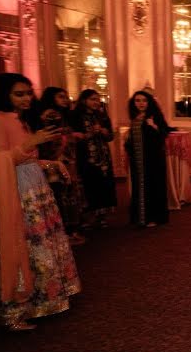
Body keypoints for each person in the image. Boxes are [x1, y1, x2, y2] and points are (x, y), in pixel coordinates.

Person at [0, 73, 81, 331]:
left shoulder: (22, 120)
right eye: (19, 94)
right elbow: (1, 160)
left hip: (37, 188)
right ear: (4, 94)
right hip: (18, 191)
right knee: (23, 245)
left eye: (28, 93)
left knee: (44, 243)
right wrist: (31, 142)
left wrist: (52, 162)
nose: (27, 98)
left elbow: (27, 159)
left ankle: (47, 298)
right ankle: (17, 310)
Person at [37, 87, 86, 245]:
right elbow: (54, 138)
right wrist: (73, 136)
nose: (65, 99)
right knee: (63, 194)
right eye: (60, 96)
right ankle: (68, 233)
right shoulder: (52, 115)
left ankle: (68, 231)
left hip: (63, 160)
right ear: (51, 98)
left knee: (66, 194)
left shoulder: (59, 114)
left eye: (65, 97)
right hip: (58, 161)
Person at [125, 91, 171, 228]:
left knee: (153, 187)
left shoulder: (154, 116)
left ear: (149, 102)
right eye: (137, 101)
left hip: (153, 160)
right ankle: (140, 217)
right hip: (138, 160)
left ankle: (154, 217)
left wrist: (154, 126)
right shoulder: (135, 117)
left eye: (144, 100)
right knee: (139, 187)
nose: (141, 103)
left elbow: (164, 133)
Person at [71, 89, 116, 228]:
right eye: (92, 99)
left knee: (104, 184)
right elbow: (73, 136)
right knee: (89, 184)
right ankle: (87, 217)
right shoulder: (76, 116)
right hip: (85, 156)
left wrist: (104, 131)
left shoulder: (102, 116)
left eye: (97, 99)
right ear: (84, 100)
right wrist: (89, 133)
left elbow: (111, 137)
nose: (96, 102)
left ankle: (102, 216)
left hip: (103, 156)